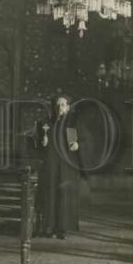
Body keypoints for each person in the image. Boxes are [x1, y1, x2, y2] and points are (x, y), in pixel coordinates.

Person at [36, 95, 82, 239]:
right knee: (50, 195)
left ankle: (62, 229)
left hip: (66, 166)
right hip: (51, 165)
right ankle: (49, 228)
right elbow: (38, 144)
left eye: (63, 105)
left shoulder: (72, 123)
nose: (59, 108)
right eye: (57, 105)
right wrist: (43, 141)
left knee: (63, 196)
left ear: (68, 107)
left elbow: (78, 144)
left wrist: (77, 145)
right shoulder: (46, 123)